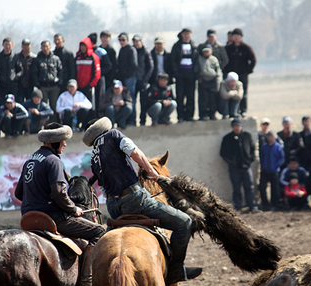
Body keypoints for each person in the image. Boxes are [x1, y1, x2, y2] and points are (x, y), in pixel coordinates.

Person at [82, 117, 202, 284]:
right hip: (135, 199)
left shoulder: (94, 155)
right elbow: (135, 152)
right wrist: (151, 171)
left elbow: (101, 185)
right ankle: (176, 270)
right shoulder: (114, 135)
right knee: (184, 222)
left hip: (113, 208)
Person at [15, 122, 105, 285]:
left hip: (28, 216)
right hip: (53, 217)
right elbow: (59, 193)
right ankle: (86, 280)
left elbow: (18, 193)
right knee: (98, 231)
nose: (65, 143)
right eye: (62, 140)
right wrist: (73, 208)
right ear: (53, 141)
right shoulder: (53, 160)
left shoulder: (30, 160)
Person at [220, 118, 260, 213]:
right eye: (234, 126)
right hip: (234, 168)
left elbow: (253, 149)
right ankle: (238, 207)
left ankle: (252, 206)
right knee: (236, 188)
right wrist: (231, 162)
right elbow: (223, 153)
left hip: (246, 167)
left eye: (238, 126)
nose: (236, 128)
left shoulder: (247, 136)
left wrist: (250, 160)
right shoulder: (227, 138)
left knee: (249, 187)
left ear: (241, 126)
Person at [223, 28, 256, 117]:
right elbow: (223, 61)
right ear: (232, 37)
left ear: (241, 37)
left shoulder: (246, 48)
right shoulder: (228, 48)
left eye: (238, 36)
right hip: (231, 76)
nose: (236, 38)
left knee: (243, 92)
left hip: (242, 74)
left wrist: (248, 70)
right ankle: (232, 111)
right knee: (230, 92)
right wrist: (225, 72)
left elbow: (253, 59)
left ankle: (243, 110)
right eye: (235, 36)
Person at [32, 40, 63, 123]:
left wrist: (59, 82)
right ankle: (44, 124)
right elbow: (34, 73)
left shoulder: (55, 58)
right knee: (43, 106)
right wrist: (38, 85)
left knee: (54, 105)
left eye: (47, 46)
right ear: (41, 48)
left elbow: (60, 71)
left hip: (54, 86)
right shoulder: (37, 59)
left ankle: (54, 123)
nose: (45, 48)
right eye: (43, 47)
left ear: (50, 47)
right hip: (43, 86)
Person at [170, 27, 197, 122]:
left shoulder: (193, 46)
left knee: (190, 96)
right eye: (184, 34)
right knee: (180, 96)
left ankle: (189, 115)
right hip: (180, 74)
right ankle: (180, 116)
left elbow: (196, 60)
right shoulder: (176, 46)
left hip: (190, 74)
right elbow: (172, 60)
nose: (186, 36)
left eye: (188, 34)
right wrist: (176, 72)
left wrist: (195, 73)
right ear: (181, 35)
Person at [0, 38, 23, 105]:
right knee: (1, 103)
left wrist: (16, 78)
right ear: (3, 45)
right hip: (1, 85)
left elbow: (20, 70)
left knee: (13, 104)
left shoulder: (15, 56)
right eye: (6, 45)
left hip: (13, 86)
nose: (7, 47)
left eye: (9, 45)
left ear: (12, 45)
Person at [259, 131, 285, 211]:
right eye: (269, 136)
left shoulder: (278, 147)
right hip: (265, 170)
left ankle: (275, 204)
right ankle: (265, 204)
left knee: (274, 188)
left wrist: (276, 165)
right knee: (262, 187)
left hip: (274, 171)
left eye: (272, 136)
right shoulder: (265, 146)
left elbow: (281, 158)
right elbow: (262, 157)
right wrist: (263, 165)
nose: (270, 138)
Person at [131, 34, 154, 126]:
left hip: (142, 80)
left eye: (137, 41)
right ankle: (132, 121)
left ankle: (143, 121)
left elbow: (151, 67)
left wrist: (145, 79)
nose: (136, 43)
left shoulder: (145, 51)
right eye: (134, 42)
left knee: (143, 102)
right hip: (133, 79)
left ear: (141, 42)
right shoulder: (131, 50)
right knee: (132, 101)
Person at [88, 32, 113, 116]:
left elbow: (109, 66)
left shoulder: (100, 51)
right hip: (91, 79)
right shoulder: (89, 52)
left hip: (101, 79)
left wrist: (98, 73)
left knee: (100, 98)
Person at [116, 32, 138, 122]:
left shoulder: (131, 49)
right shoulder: (122, 50)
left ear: (127, 40)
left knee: (131, 98)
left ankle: (132, 120)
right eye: (120, 40)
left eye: (123, 40)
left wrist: (126, 75)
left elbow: (134, 65)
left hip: (130, 78)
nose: (121, 42)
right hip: (124, 78)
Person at [74, 37, 101, 105]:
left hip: (89, 87)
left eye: (84, 46)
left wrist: (90, 85)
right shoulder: (77, 57)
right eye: (81, 46)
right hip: (78, 87)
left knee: (90, 104)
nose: (83, 48)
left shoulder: (93, 57)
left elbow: (97, 74)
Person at [197, 44, 220, 120]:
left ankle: (212, 114)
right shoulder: (200, 59)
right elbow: (197, 70)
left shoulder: (214, 59)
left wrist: (217, 81)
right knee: (204, 99)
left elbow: (218, 71)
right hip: (203, 81)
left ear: (211, 51)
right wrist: (199, 78)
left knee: (212, 99)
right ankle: (204, 114)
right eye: (205, 51)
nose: (206, 53)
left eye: (208, 51)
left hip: (212, 81)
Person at [17, 39, 37, 103]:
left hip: (31, 85)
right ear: (22, 46)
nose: (26, 47)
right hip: (19, 85)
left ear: (30, 46)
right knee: (20, 103)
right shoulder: (17, 57)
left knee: (30, 103)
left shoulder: (34, 58)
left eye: (27, 45)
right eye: (24, 45)